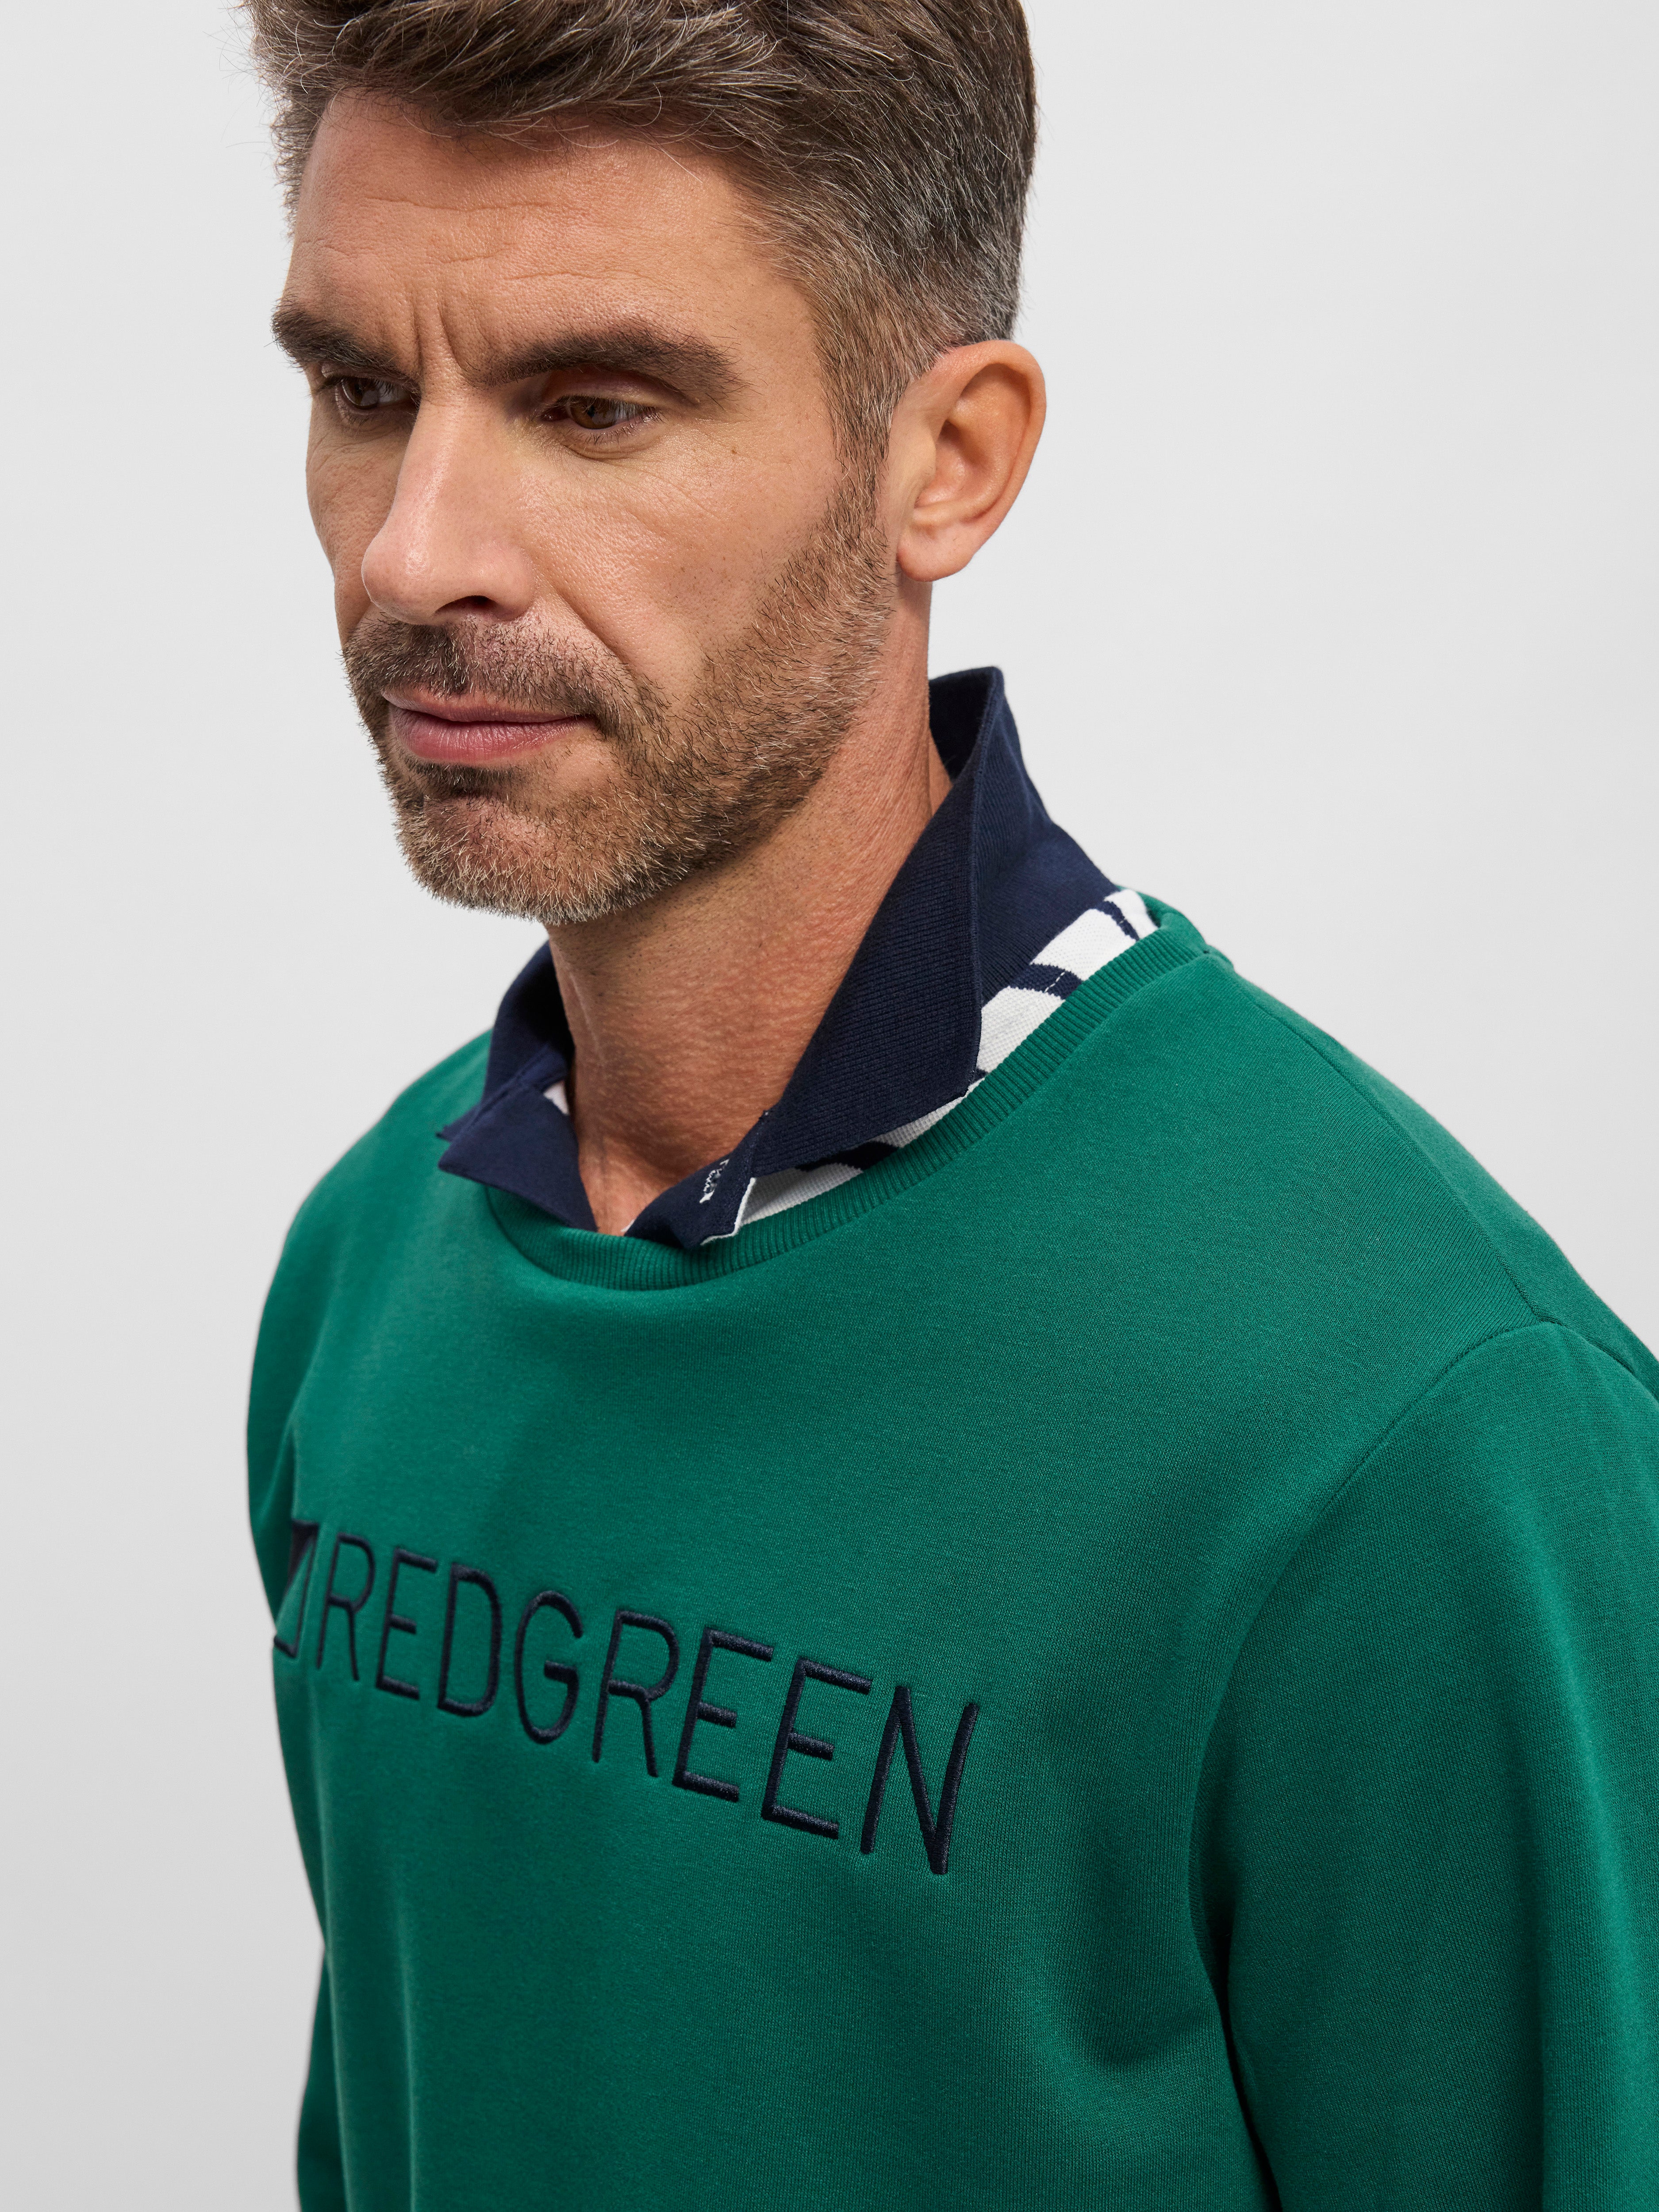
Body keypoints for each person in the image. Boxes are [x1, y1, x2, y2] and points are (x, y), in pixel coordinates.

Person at [243, 4, 1659, 2206]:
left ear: (948, 459)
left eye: (593, 406)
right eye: (361, 392)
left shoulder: (1417, 1433)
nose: (416, 553)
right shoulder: (368, 1273)